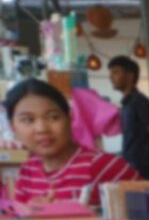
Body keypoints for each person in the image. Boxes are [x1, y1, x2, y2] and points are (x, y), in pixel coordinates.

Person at [5, 79, 139, 207]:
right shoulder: (28, 170)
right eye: (28, 120)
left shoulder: (103, 165)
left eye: (53, 117)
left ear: (70, 118)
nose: (42, 129)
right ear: (13, 128)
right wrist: (33, 213)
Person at [108, 55, 149, 179]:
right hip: (130, 167)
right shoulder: (125, 104)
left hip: (144, 169)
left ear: (130, 76)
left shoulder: (140, 101)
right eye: (111, 73)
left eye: (116, 72)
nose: (111, 77)